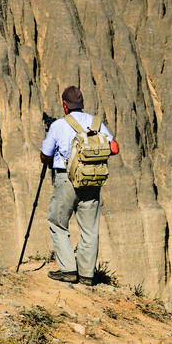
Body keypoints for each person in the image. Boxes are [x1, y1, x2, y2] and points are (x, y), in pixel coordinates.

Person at [39, 86, 119, 284]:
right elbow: (114, 148)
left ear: (65, 105)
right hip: (92, 181)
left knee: (58, 223)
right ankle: (86, 275)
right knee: (90, 229)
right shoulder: (96, 122)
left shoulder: (58, 125)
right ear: (81, 104)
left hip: (66, 179)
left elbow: (45, 156)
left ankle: (68, 270)